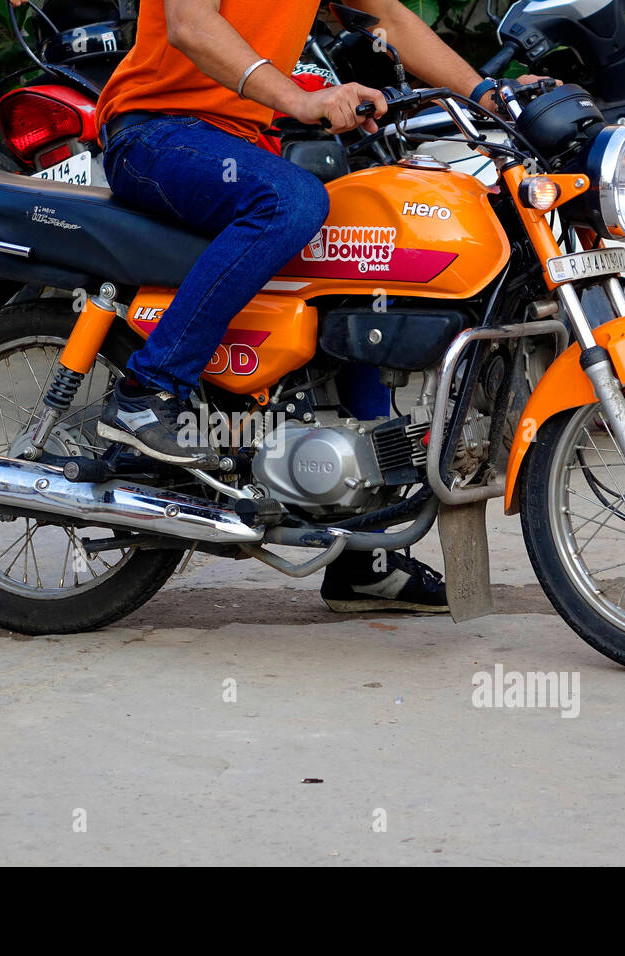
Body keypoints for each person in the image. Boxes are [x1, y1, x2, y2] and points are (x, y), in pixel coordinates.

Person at [93, 0, 532, 612]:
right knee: (292, 204)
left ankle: (363, 556)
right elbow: (191, 26)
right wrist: (299, 100)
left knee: (366, 256)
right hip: (157, 133)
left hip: (252, 142)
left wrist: (490, 94)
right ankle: (146, 394)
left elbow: (391, 20)